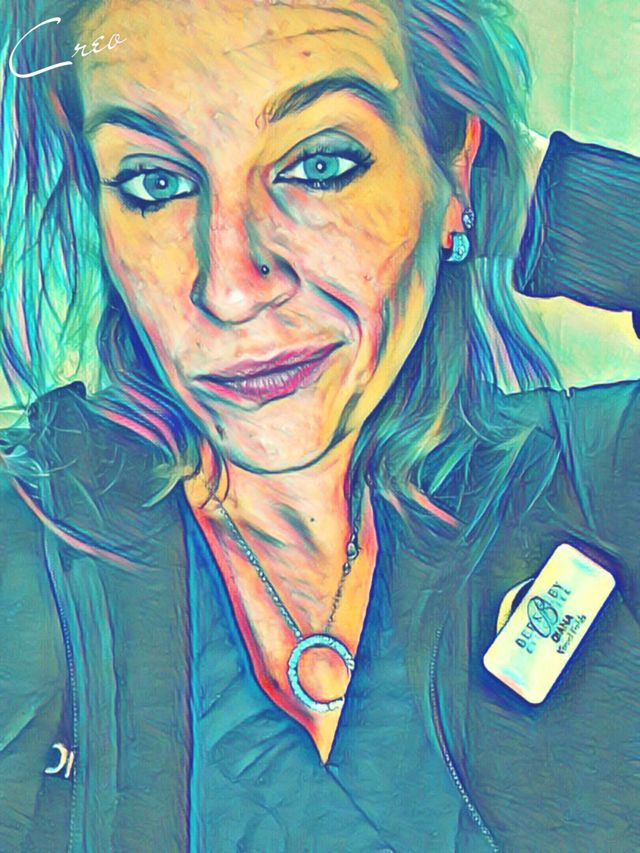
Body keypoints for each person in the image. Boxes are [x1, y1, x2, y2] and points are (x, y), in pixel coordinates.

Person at [0, 1, 638, 850]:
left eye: (320, 163)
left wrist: (530, 193)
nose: (230, 287)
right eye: (155, 182)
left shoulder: (596, 483)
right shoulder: (32, 541)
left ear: (455, 168)